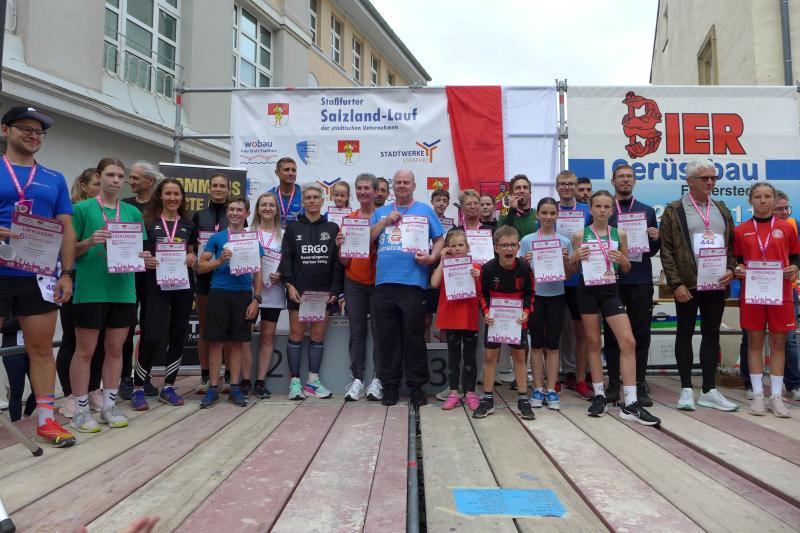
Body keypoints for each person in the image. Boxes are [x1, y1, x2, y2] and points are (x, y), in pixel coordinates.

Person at [0, 105, 77, 447]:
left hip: (39, 274)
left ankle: (46, 421)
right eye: (25, 129)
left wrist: (67, 273)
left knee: (42, 348)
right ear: (6, 130)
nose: (33, 136)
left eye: (39, 132)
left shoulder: (54, 178)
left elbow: (66, 228)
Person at [71, 157, 149, 432]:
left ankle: (109, 406)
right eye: (110, 175)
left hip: (123, 290)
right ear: (99, 176)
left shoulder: (132, 213)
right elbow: (68, 252)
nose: (116, 180)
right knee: (86, 350)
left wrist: (144, 257)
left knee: (116, 350)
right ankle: (81, 410)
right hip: (91, 289)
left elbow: (138, 251)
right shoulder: (81, 209)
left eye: (120, 176)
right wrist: (89, 241)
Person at [570, 190, 660, 425]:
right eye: (598, 206)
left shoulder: (619, 233)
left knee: (628, 341)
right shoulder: (579, 235)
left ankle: (630, 402)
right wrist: (574, 257)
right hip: (587, 290)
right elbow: (571, 269)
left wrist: (622, 260)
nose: (602, 210)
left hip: (611, 290)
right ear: (590, 209)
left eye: (606, 207)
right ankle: (599, 395)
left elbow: (627, 267)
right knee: (593, 342)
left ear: (612, 210)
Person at [659, 159, 737, 411]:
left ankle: (709, 390)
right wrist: (676, 284)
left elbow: (732, 246)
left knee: (712, 333)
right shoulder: (674, 210)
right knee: (684, 332)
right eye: (705, 178)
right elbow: (666, 251)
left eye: (713, 177)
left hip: (716, 283)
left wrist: (730, 269)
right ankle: (685, 389)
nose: (710, 182)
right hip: (688, 285)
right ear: (690, 181)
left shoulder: (721, 208)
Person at [370, 170, 444, 406]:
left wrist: (432, 258)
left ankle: (416, 387)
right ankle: (390, 386)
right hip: (384, 283)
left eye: (406, 182)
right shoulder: (381, 211)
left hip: (413, 284)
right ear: (393, 186)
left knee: (414, 337)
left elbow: (439, 239)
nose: (402, 185)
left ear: (413, 185)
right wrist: (384, 222)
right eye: (398, 182)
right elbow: (367, 239)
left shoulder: (424, 210)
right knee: (387, 338)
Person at [734, 183, 799, 417]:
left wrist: (795, 267)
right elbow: (736, 260)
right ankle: (758, 395)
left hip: (781, 292)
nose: (763, 200)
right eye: (758, 197)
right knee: (754, 341)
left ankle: (777, 396)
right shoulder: (740, 230)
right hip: (752, 293)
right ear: (750, 201)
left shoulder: (787, 227)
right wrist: (738, 268)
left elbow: (795, 257)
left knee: (779, 342)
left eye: (767, 196)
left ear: (774, 199)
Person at [131, 178, 197, 410]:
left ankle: (168, 387)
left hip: (182, 286)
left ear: (182, 197)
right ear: (160, 195)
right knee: (151, 336)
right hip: (154, 286)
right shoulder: (148, 221)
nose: (172, 198)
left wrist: (192, 257)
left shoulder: (188, 224)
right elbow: (135, 252)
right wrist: (144, 259)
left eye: (176, 194)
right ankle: (138, 387)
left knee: (177, 336)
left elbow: (191, 251)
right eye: (168, 193)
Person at [196, 197, 262, 408]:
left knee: (237, 343)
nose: (234, 213)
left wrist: (256, 299)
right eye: (231, 209)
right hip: (219, 292)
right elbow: (200, 267)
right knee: (216, 342)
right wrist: (219, 260)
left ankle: (234, 388)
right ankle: (213, 388)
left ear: (247, 213)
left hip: (242, 294)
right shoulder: (217, 238)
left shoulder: (252, 239)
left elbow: (258, 273)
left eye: (239, 210)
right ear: (227, 213)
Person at [279, 184, 343, 400]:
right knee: (296, 335)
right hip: (299, 293)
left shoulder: (333, 227)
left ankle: (313, 383)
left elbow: (337, 263)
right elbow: (286, 258)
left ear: (323, 201)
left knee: (317, 336)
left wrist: (335, 290)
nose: (313, 200)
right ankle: (295, 383)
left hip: (323, 294)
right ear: (303, 202)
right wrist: (289, 285)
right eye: (308, 198)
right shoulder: (292, 228)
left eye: (316, 197)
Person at [604, 164, 660, 406]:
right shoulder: (605, 210)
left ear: (634, 181)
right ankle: (613, 384)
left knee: (640, 333)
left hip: (639, 279)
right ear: (613, 181)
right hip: (612, 280)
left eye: (629, 177)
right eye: (621, 177)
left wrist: (656, 239)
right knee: (612, 334)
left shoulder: (647, 211)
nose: (625, 180)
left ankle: (638, 383)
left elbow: (652, 250)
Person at [57, 168, 105, 418]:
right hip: (74, 281)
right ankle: (70, 394)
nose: (102, 187)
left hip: (101, 282)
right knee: (72, 339)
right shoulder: (73, 211)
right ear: (84, 186)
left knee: (98, 341)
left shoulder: (108, 212)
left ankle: (93, 388)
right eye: (97, 183)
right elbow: (64, 247)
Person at [473, 226, 535, 420]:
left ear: (518, 247)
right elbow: (482, 294)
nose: (509, 249)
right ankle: (487, 398)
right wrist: (486, 312)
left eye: (513, 245)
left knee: (519, 358)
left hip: (517, 320)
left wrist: (526, 312)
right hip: (495, 320)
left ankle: (523, 399)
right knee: (490, 358)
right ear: (496, 248)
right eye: (504, 245)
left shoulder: (525, 267)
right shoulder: (488, 268)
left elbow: (530, 293)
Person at [520, 198, 575, 410]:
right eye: (544, 212)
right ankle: (537, 387)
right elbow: (520, 273)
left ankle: (551, 389)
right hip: (535, 296)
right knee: (536, 344)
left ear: (557, 215)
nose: (548, 217)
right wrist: (524, 263)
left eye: (552, 213)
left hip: (556, 296)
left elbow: (569, 275)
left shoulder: (565, 242)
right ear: (538, 214)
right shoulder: (527, 240)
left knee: (553, 344)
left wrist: (565, 260)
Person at [339, 174, 383, 402]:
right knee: (357, 332)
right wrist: (340, 246)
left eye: (367, 188)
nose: (363, 192)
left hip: (379, 282)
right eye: (359, 188)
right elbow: (343, 261)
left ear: (376, 192)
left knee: (380, 332)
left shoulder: (384, 217)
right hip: (354, 281)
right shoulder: (349, 219)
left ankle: (378, 379)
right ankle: (357, 379)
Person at [119, 161, 159, 401]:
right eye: (130, 177)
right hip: (128, 276)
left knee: (150, 329)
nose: (130, 181)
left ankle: (143, 376)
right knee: (125, 328)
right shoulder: (124, 205)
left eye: (135, 178)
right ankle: (125, 377)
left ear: (150, 181)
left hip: (154, 277)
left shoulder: (161, 205)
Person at [430, 229, 481, 410]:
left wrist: (478, 277)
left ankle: (470, 392)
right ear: (448, 248)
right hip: (451, 317)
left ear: (467, 247)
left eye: (461, 245)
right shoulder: (445, 265)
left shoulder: (475, 266)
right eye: (453, 245)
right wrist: (442, 261)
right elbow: (434, 283)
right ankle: (453, 393)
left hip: (469, 318)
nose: (457, 248)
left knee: (470, 357)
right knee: (453, 357)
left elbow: (483, 291)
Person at [192, 173, 231, 393]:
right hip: (205, 277)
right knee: (205, 327)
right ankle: (205, 376)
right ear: (209, 189)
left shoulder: (234, 214)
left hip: (227, 276)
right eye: (214, 185)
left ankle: (227, 375)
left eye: (222, 186)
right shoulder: (199, 215)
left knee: (227, 329)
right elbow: (191, 245)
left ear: (228, 189)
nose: (218, 189)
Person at [554, 170, 592, 397]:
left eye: (570, 184)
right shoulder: (550, 210)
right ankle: (557, 375)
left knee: (581, 331)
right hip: (555, 279)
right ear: (557, 187)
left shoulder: (588, 210)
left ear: (576, 187)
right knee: (555, 331)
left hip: (581, 278)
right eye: (562, 184)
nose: (567, 187)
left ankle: (580, 377)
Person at [249, 192, 285, 399]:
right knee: (243, 338)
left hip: (274, 291)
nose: (267, 208)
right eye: (263, 205)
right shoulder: (247, 233)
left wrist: (282, 275)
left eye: (271, 205)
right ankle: (244, 380)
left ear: (277, 210)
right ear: (257, 209)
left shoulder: (284, 234)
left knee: (268, 336)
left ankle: (260, 382)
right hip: (249, 292)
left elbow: (289, 263)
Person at [1, 316, 36, 421]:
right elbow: (3, 326)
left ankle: (26, 416)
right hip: (13, 352)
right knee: (16, 391)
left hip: (34, 350)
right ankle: (17, 423)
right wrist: (24, 318)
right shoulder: (7, 307)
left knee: (39, 389)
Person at [499, 174, 537, 238]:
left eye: (525, 187)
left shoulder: (538, 215)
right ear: (511, 194)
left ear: (530, 193)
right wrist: (512, 210)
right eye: (518, 188)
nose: (522, 191)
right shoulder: (503, 217)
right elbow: (501, 238)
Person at [269, 157, 302, 228]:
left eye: (293, 170)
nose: (291, 173)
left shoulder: (304, 195)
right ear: (277, 173)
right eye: (286, 170)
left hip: (299, 234)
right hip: (275, 234)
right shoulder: (270, 195)